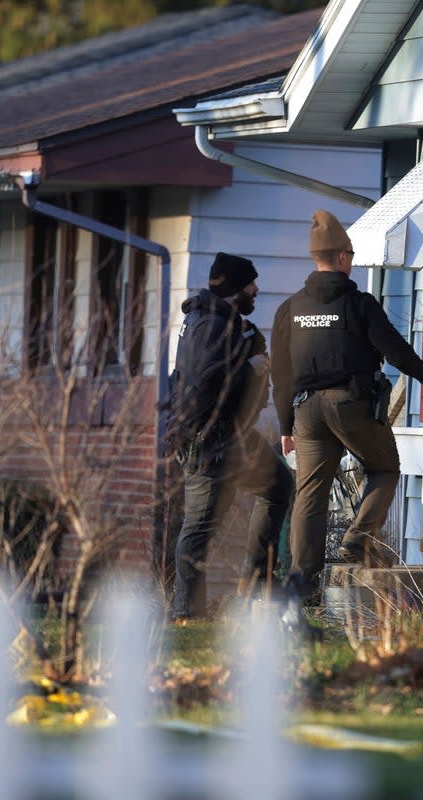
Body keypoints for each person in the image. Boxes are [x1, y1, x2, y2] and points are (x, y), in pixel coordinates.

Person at [271, 209, 423, 603]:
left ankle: (301, 589)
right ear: (342, 257)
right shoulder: (359, 304)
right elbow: (397, 353)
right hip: (351, 404)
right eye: (351, 256)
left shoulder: (290, 308)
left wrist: (285, 425)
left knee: (309, 493)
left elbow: (282, 374)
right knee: (385, 468)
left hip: (305, 411)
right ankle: (357, 540)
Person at [166, 252, 294, 622]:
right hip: (208, 441)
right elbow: (201, 386)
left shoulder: (228, 323)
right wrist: (248, 368)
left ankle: (256, 584)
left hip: (235, 435)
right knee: (200, 526)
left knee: (278, 485)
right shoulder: (208, 325)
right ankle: (186, 611)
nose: (256, 289)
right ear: (236, 287)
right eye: (251, 283)